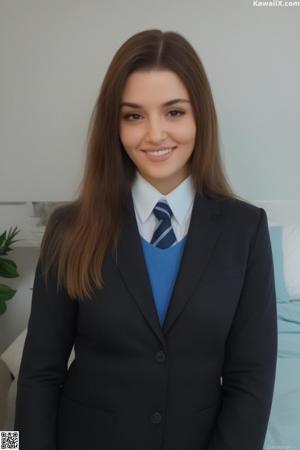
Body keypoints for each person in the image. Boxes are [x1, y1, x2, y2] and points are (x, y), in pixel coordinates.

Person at [14, 29, 278, 450]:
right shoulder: (69, 228)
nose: (155, 135)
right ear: (114, 126)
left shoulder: (245, 230)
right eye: (134, 116)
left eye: (174, 112)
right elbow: (38, 375)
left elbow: (252, 381)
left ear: (200, 118)